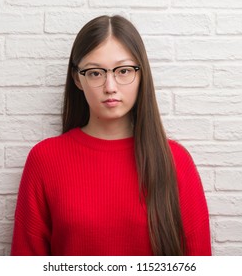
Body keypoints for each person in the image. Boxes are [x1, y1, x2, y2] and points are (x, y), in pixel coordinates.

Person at [11, 15, 211, 256]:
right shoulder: (45, 159)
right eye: (95, 73)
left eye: (124, 70)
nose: (110, 86)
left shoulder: (176, 161)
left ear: (141, 74)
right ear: (77, 78)